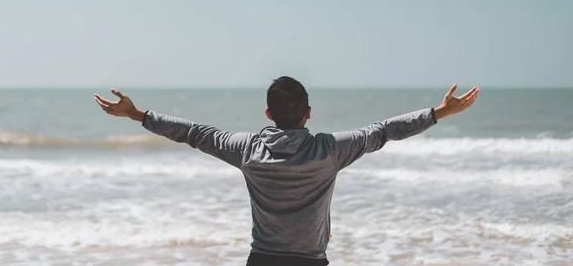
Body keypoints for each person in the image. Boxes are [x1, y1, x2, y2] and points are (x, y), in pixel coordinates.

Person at [94, 76, 478, 266]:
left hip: (262, 261)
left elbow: (193, 133)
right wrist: (438, 113)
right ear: (308, 113)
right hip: (311, 262)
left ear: (267, 115)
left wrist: (137, 114)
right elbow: (384, 131)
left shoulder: (246, 150)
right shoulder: (330, 150)